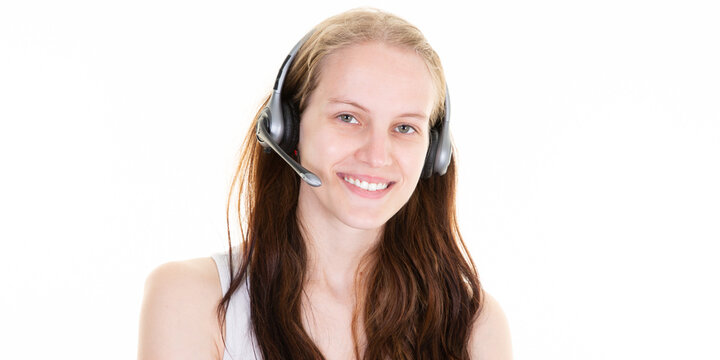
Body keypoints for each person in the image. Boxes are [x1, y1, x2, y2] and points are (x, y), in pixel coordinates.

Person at [138, 8, 512, 360]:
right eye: (348, 117)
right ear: (288, 129)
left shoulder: (474, 326)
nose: (377, 155)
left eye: (404, 127)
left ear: (435, 154)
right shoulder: (191, 299)